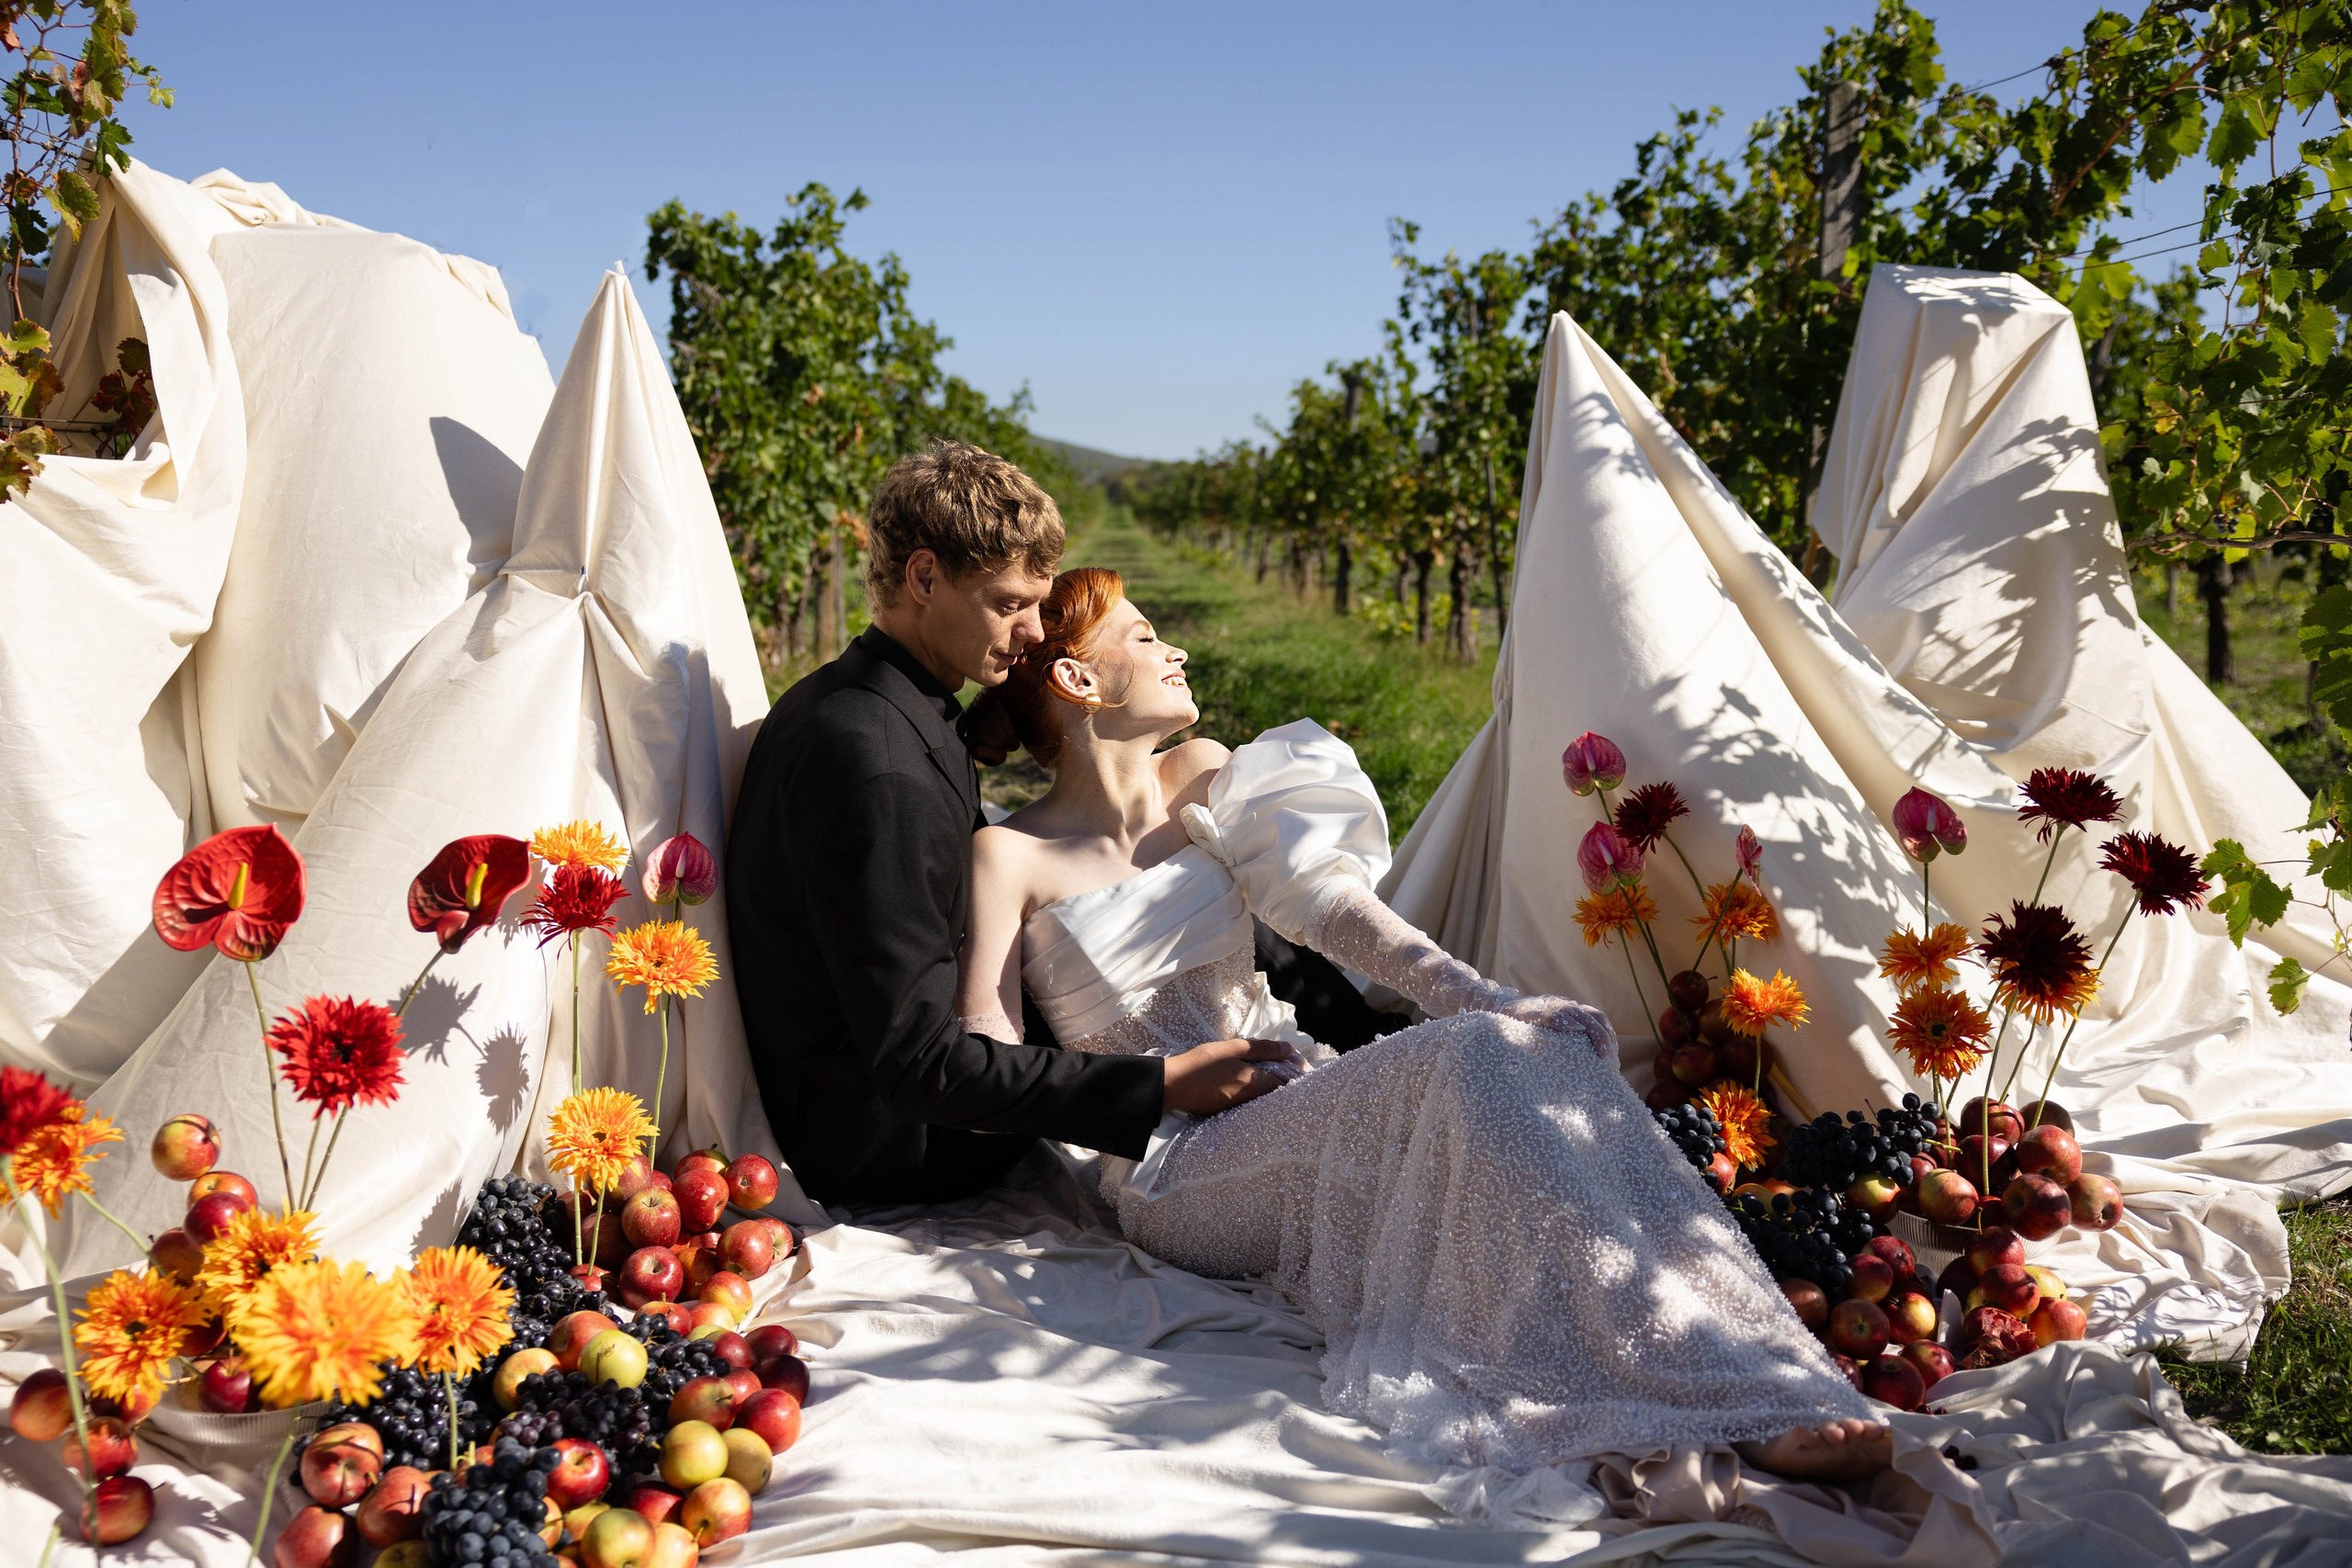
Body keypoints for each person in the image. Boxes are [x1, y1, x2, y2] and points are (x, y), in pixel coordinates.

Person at [951, 563, 1903, 1523]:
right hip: (1175, 1167)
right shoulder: (1009, 854)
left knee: (1527, 1052)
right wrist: (1153, 1084)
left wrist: (1485, 995)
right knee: (1474, 1057)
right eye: (1148, 636)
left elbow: (1330, 909)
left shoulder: (1202, 772)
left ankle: (1759, 1361)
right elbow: (987, 1065)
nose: (1176, 649)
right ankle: (1708, 1388)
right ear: (1078, 681)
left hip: (1300, 1090)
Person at [725, 443, 1294, 1206]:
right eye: (1009, 603)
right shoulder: (881, 767)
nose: (1033, 632)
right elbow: (919, 1066)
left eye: (1038, 602)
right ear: (924, 578)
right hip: (896, 1147)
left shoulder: (860, 699)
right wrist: (1160, 1084)